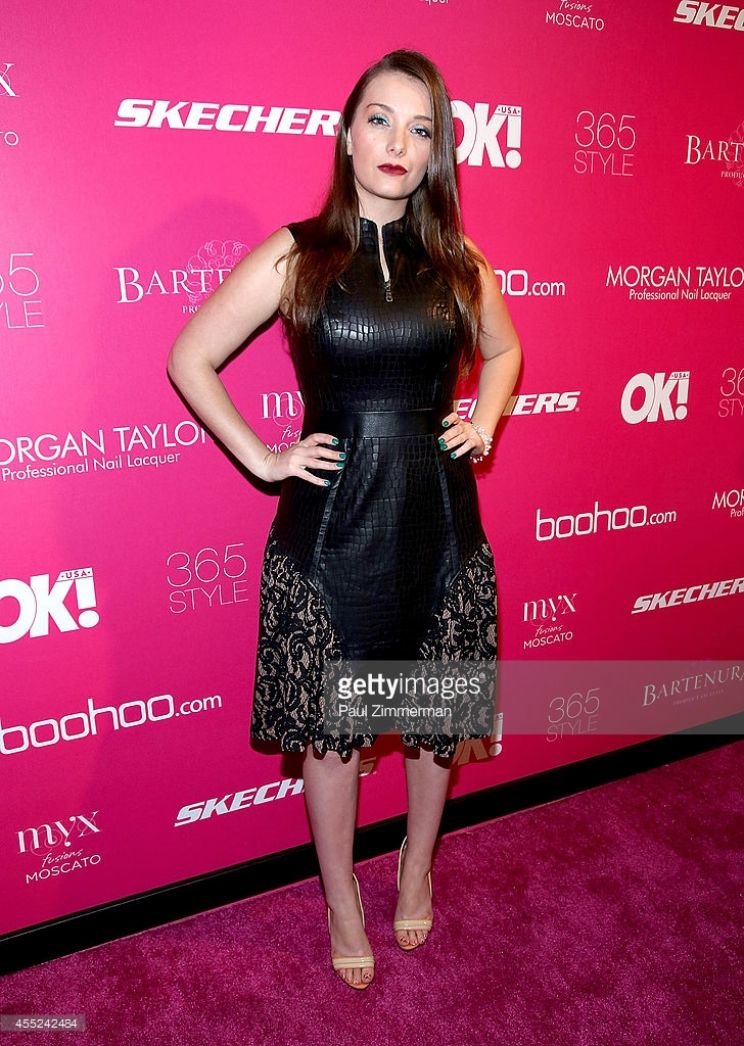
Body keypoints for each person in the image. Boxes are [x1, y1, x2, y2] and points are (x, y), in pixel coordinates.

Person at [167, 48, 521, 990]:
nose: (398, 142)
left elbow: (505, 349)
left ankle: (416, 866)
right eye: (380, 119)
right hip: (331, 535)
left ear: (438, 150)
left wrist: (483, 421)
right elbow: (191, 355)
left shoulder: (459, 262)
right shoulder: (298, 254)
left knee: (435, 726)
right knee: (333, 737)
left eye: (420, 127)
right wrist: (264, 458)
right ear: (347, 134)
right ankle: (338, 898)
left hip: (439, 529)